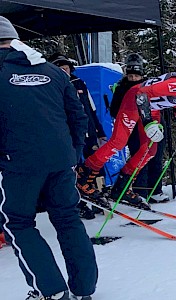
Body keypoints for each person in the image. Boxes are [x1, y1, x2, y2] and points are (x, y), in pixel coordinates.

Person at [0, 17, 97, 300]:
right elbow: (79, 117)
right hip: (61, 160)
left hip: (17, 162)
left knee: (18, 223)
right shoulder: (52, 71)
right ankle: (84, 289)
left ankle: (52, 291)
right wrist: (73, 153)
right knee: (67, 218)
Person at [76, 64, 176, 210]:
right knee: (118, 142)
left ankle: (122, 186)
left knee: (150, 151)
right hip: (134, 102)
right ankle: (83, 176)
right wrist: (147, 123)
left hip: (151, 108)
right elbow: (141, 93)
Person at [49, 53, 108, 220]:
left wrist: (100, 131)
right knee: (73, 167)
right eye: (60, 68)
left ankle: (100, 197)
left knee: (95, 164)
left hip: (87, 130)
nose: (64, 71)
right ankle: (79, 204)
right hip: (67, 134)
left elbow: (91, 109)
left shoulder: (79, 83)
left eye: (66, 67)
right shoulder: (51, 86)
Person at [110, 53, 170, 203]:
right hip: (134, 128)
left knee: (155, 156)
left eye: (136, 76)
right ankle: (140, 191)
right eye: (130, 76)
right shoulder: (122, 87)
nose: (133, 79)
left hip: (154, 124)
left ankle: (155, 190)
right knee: (140, 157)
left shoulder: (149, 85)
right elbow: (114, 110)